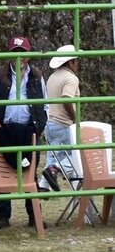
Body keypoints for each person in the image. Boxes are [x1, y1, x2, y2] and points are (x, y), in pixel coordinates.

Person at [0, 35, 47, 230]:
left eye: (23, 53)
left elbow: (44, 105)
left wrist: (37, 127)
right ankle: (3, 215)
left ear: (28, 55)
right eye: (15, 52)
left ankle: (35, 214)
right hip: (3, 128)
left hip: (28, 129)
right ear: (10, 54)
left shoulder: (37, 75)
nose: (20, 57)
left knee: (30, 170)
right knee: (1, 169)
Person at [42, 45, 80, 191]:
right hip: (64, 123)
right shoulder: (71, 78)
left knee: (52, 156)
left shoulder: (53, 77)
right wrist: (74, 119)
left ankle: (43, 185)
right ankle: (55, 170)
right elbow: (66, 99)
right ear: (71, 62)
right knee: (78, 155)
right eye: (76, 61)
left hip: (51, 123)